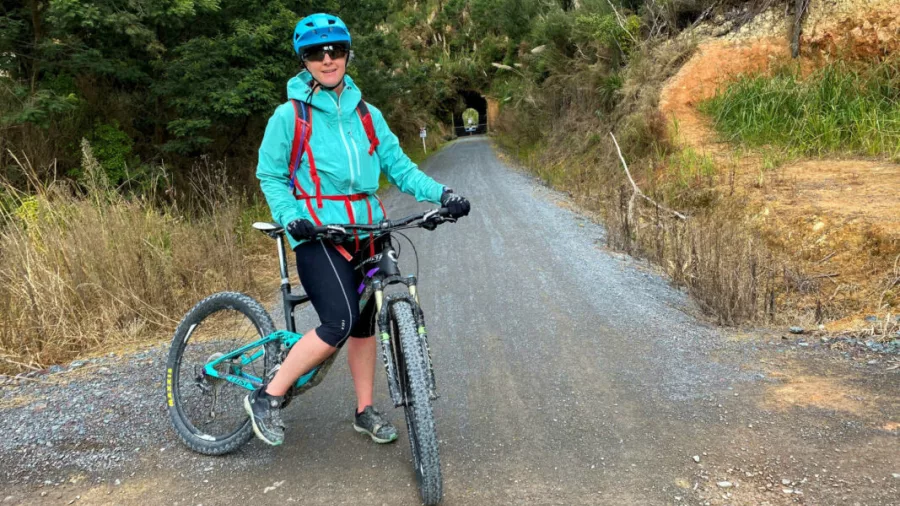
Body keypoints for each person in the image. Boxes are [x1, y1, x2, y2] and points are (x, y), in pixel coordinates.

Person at [247, 13, 470, 447]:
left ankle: (364, 410)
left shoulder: (367, 114)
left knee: (365, 324)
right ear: (304, 60)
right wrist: (291, 215)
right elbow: (270, 175)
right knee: (340, 321)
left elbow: (400, 168)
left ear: (347, 54)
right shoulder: (289, 116)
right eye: (316, 52)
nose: (327, 59)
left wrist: (443, 194)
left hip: (369, 230)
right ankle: (267, 396)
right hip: (318, 233)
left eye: (336, 50)